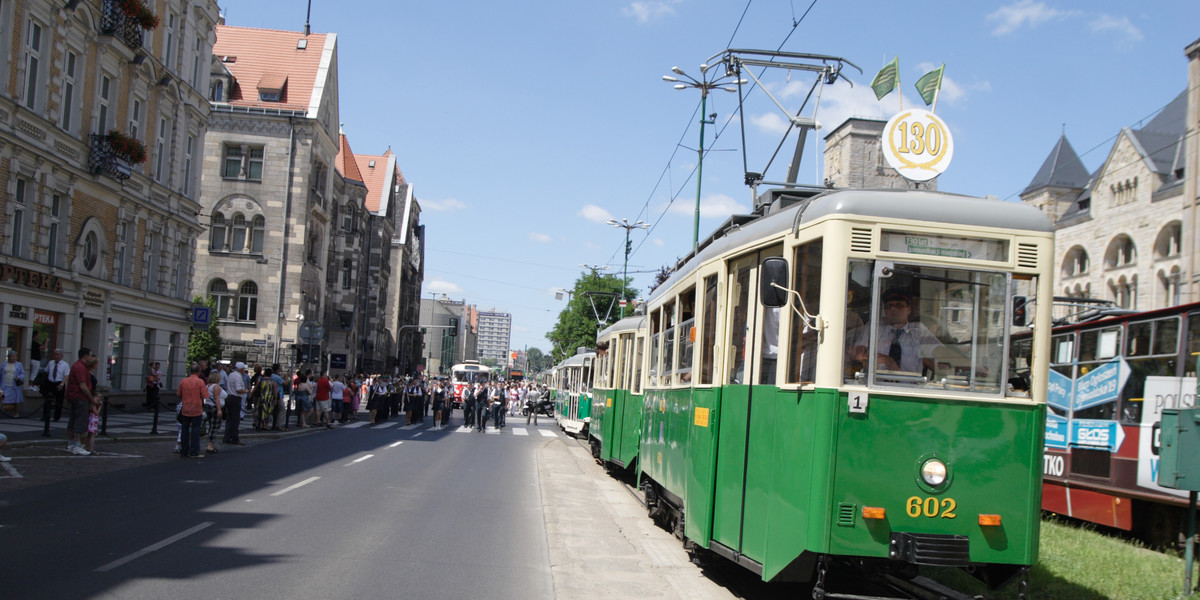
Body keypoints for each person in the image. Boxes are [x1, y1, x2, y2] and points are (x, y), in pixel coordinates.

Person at [850, 289, 943, 375]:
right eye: (889, 306)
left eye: (899, 305)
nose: (893, 309)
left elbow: (944, 363)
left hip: (910, 387)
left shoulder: (918, 330)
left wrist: (922, 357)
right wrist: (885, 359)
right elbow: (856, 353)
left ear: (909, 309)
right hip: (877, 384)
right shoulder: (875, 327)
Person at [64, 348, 95, 455]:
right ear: (85, 356)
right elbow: (83, 385)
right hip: (80, 397)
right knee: (79, 421)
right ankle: (77, 445)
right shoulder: (80, 367)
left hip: (75, 396)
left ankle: (71, 444)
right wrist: (91, 398)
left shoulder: (78, 366)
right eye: (90, 355)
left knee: (73, 420)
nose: (91, 358)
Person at [177, 364, 211, 458]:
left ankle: (184, 451)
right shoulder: (200, 382)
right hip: (197, 409)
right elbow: (205, 395)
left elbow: (179, 393)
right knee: (195, 431)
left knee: (184, 431)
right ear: (199, 372)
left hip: (186, 409)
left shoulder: (183, 381)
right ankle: (194, 452)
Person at [223, 362, 249, 445]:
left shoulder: (231, 374)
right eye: (243, 368)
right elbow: (238, 389)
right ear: (241, 369)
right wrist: (245, 391)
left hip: (229, 396)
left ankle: (227, 437)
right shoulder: (238, 376)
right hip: (235, 397)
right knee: (235, 420)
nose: (244, 370)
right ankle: (235, 438)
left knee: (230, 419)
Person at [204, 372, 226, 454]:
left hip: (209, 407)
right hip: (214, 408)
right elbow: (217, 398)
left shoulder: (207, 386)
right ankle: (210, 445)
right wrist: (219, 409)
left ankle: (211, 444)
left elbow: (205, 398)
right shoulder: (216, 386)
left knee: (211, 426)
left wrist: (205, 405)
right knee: (214, 427)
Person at [44, 349, 69, 421]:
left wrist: (62, 384)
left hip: (59, 382)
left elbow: (66, 375)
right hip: (50, 382)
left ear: (61, 356)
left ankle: (57, 417)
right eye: (55, 354)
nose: (56, 356)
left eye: (58, 355)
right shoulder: (50, 363)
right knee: (48, 399)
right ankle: (45, 415)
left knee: (59, 401)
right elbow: (46, 371)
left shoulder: (65, 365)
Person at [0, 350, 25, 417]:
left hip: (14, 385)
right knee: (2, 397)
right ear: (9, 357)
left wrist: (19, 377)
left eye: (15, 356)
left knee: (15, 399)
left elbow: (23, 374)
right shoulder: (4, 364)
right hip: (5, 384)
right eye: (13, 356)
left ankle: (16, 413)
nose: (14, 358)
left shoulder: (19, 364)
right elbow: (1, 374)